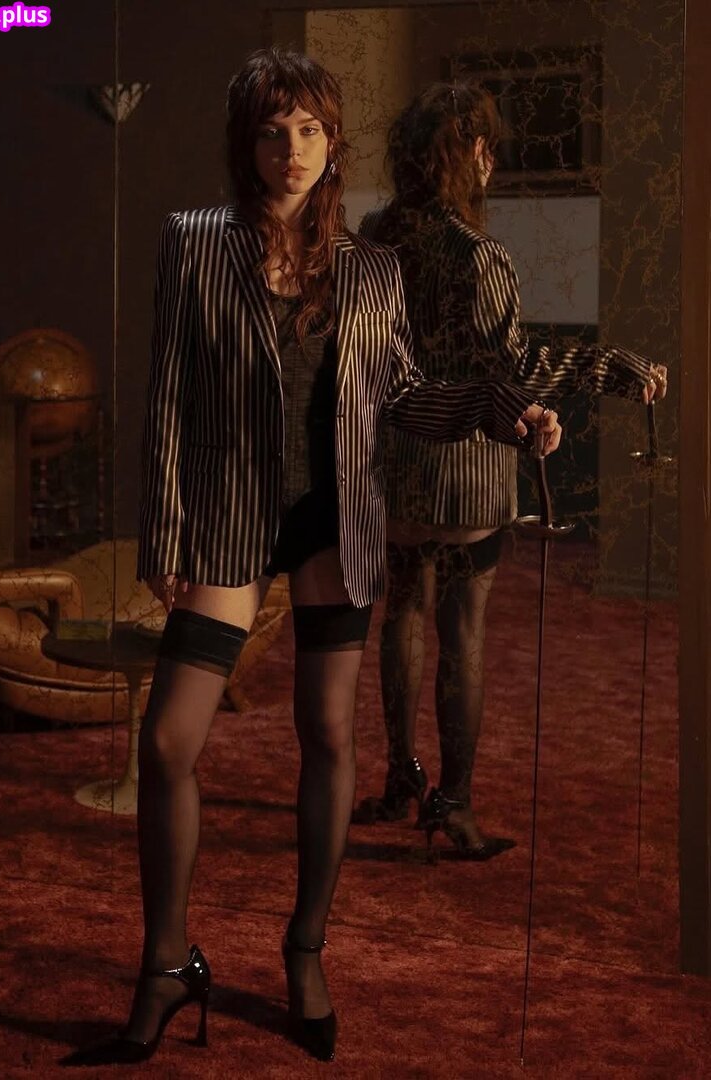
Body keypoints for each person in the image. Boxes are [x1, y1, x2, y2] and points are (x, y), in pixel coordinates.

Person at [62, 52, 559, 1068]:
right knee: (168, 743)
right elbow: (166, 394)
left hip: (338, 519)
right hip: (229, 519)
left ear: (332, 143)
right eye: (270, 131)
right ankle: (165, 963)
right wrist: (164, 530)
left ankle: (304, 951)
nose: (289, 149)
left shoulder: (371, 269)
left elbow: (406, 394)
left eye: (307, 130)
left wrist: (503, 411)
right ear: (244, 144)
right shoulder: (194, 243)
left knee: (328, 736)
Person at [352, 83, 666, 859]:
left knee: (402, 614)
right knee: (461, 631)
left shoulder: (373, 237)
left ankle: (400, 778)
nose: (491, 158)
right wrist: (615, 369)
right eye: (483, 145)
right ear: (465, 155)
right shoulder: (478, 254)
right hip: (468, 468)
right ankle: (453, 805)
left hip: (397, 456)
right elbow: (513, 366)